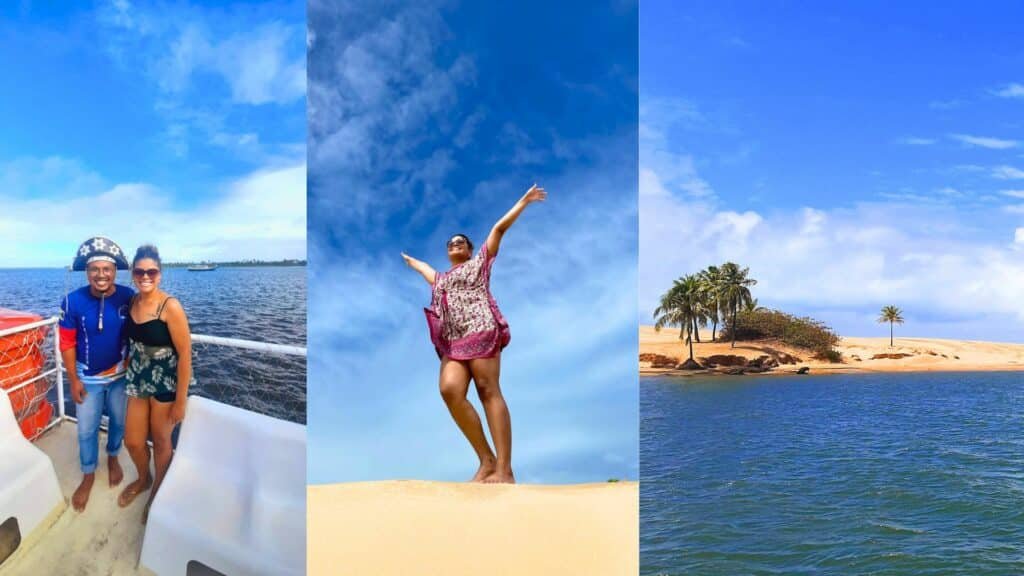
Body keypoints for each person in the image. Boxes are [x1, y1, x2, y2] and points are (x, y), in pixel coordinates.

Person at [402, 183, 547, 483]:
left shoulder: (479, 264)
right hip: (453, 342)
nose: (455, 243)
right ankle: (486, 459)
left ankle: (505, 470)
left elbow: (498, 229)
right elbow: (425, 269)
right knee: (450, 390)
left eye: (460, 242)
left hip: (481, 330)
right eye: (450, 243)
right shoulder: (440, 280)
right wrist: (412, 261)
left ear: (469, 250)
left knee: (487, 389)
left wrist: (524, 201)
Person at [117, 245, 193, 522]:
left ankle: (157, 493)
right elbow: (132, 341)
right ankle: (143, 479)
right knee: (133, 441)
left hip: (166, 382)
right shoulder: (134, 302)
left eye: (151, 271)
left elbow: (185, 353)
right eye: (139, 271)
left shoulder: (170, 306)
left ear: (160, 274)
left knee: (161, 442)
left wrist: (181, 401)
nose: (145, 276)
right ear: (133, 275)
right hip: (138, 378)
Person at [59, 236, 134, 511]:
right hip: (87, 378)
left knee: (118, 421)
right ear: (87, 271)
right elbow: (66, 343)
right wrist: (73, 380)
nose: (101, 275)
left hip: (119, 376)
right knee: (86, 429)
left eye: (107, 269)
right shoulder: (72, 301)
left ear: (114, 271)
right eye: (95, 269)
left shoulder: (128, 296)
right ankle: (88, 474)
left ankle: (113, 456)